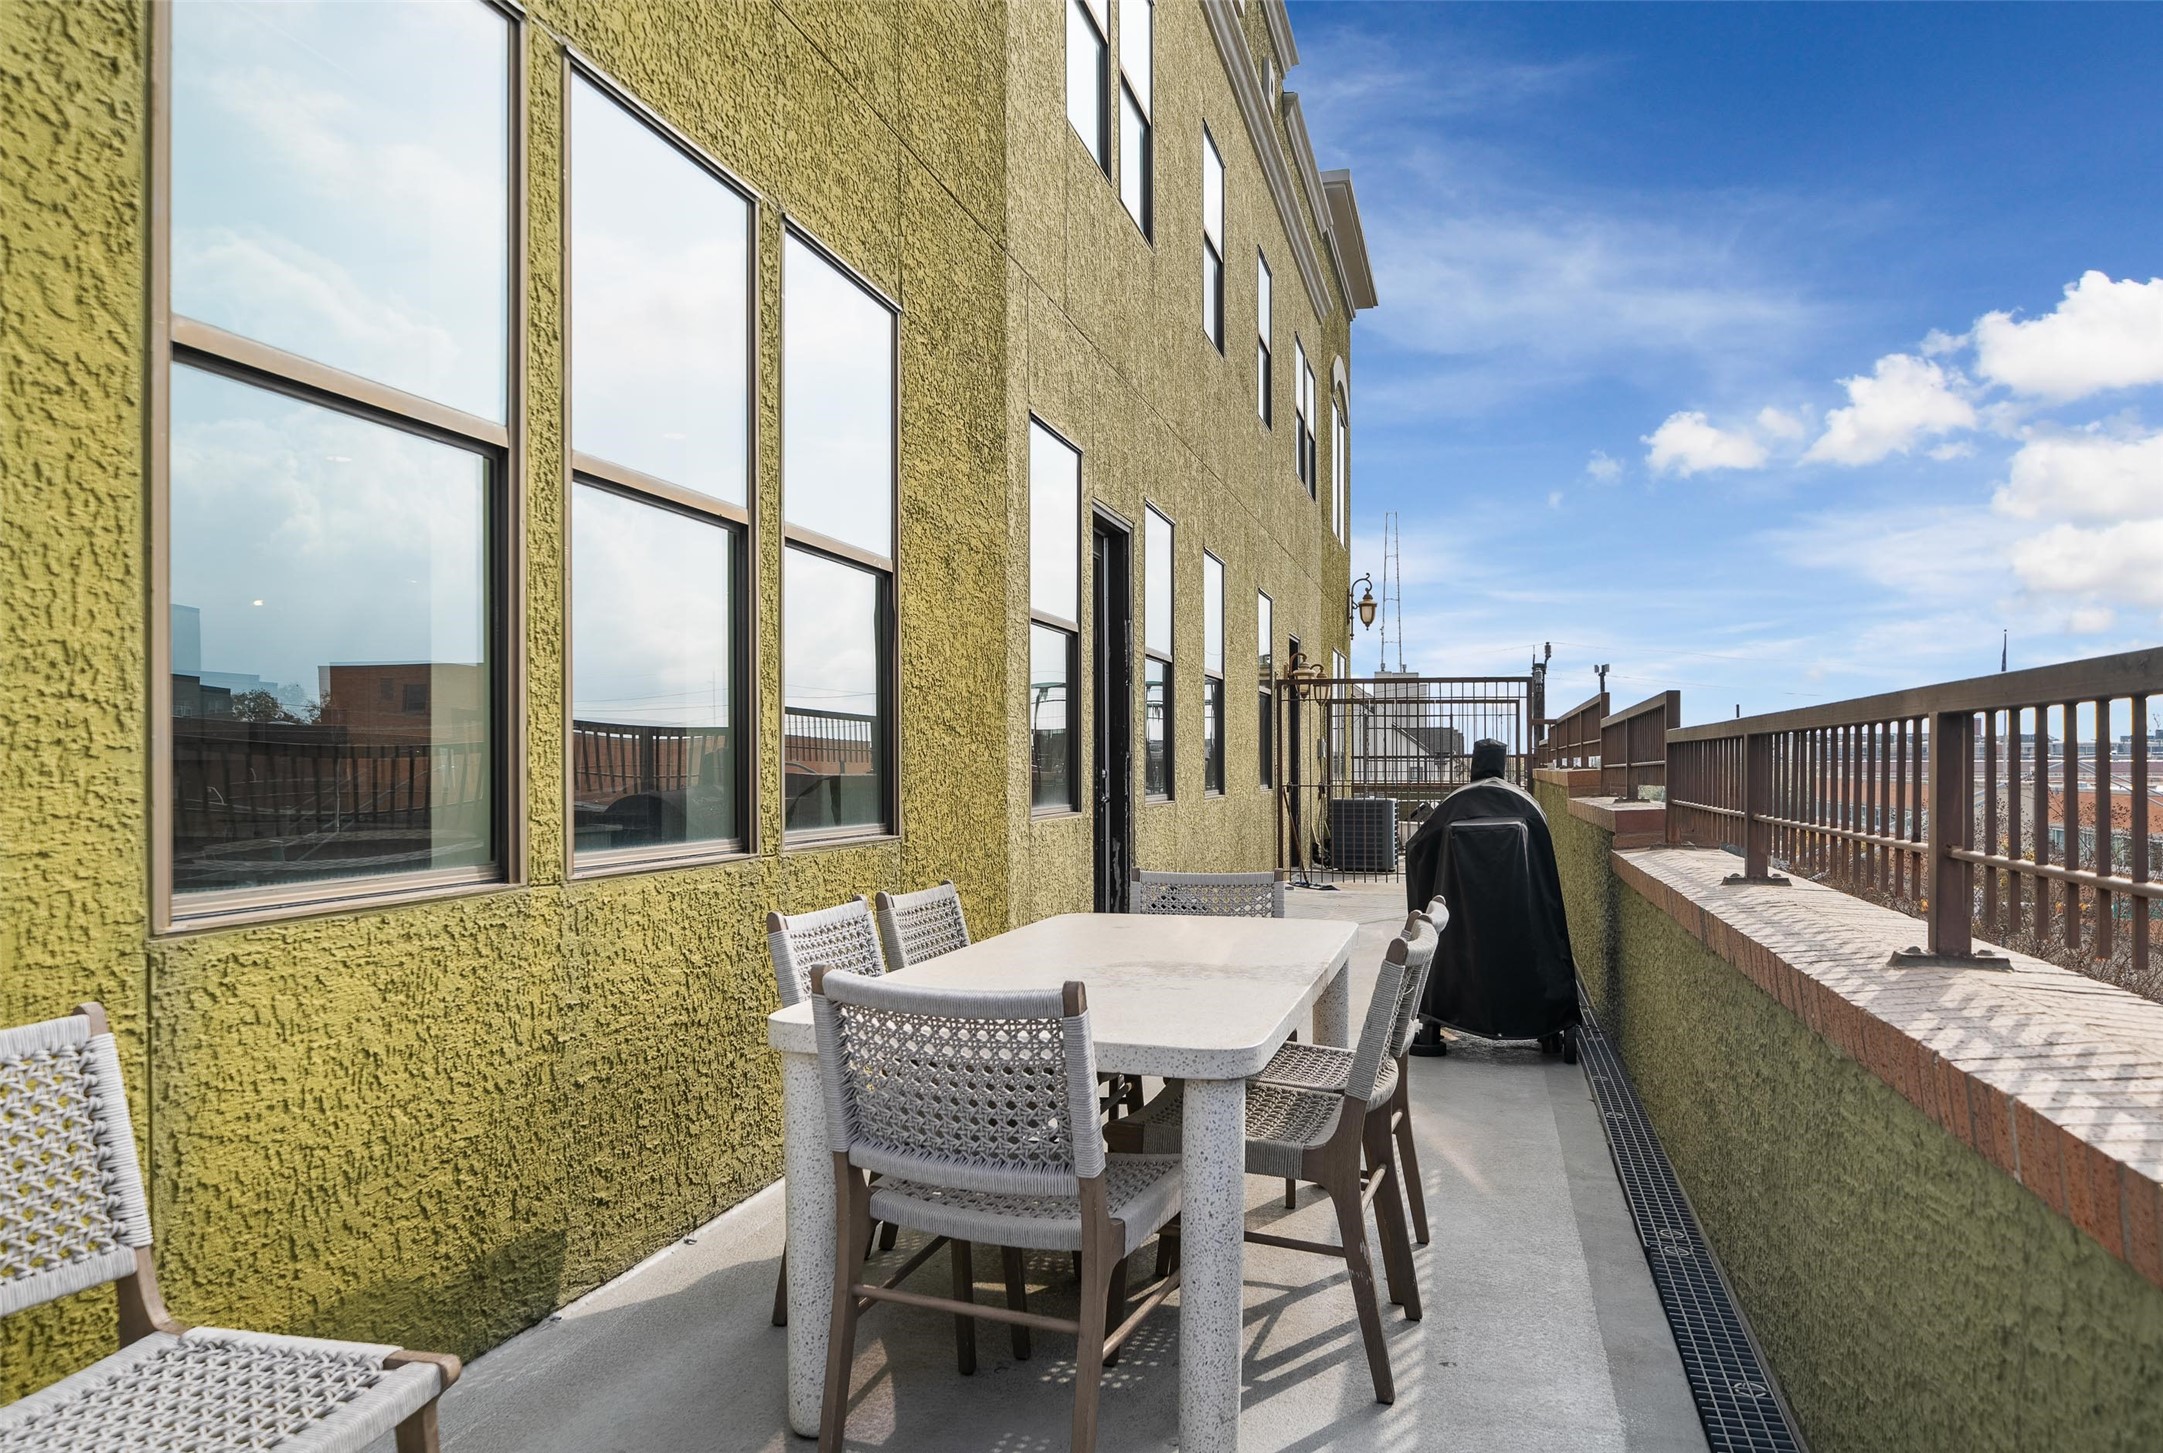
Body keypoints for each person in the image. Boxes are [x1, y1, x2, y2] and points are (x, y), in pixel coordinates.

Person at [1402, 738, 1580, 1060]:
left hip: (1459, 935)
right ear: (1504, 763)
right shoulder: (1524, 804)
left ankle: (1436, 1020)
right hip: (1520, 930)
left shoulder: (1456, 804)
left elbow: (1417, 850)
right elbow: (1546, 873)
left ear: (1474, 764)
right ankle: (1548, 1025)